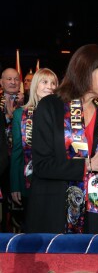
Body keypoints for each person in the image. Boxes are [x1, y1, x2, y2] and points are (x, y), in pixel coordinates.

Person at [25, 44, 98, 234]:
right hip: (54, 213)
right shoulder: (50, 106)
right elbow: (42, 165)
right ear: (87, 71)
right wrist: (89, 165)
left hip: (94, 212)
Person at [10, 68, 59, 230]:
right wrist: (15, 185)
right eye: (45, 82)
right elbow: (17, 152)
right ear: (35, 86)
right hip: (27, 181)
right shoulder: (20, 114)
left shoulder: (62, 114)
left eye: (53, 83)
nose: (50, 86)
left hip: (54, 181)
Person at [0, 67, 24, 231]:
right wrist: (7, 117)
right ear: (1, 82)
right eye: (9, 79)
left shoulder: (28, 104)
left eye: (16, 79)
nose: (13, 82)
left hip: (21, 162)